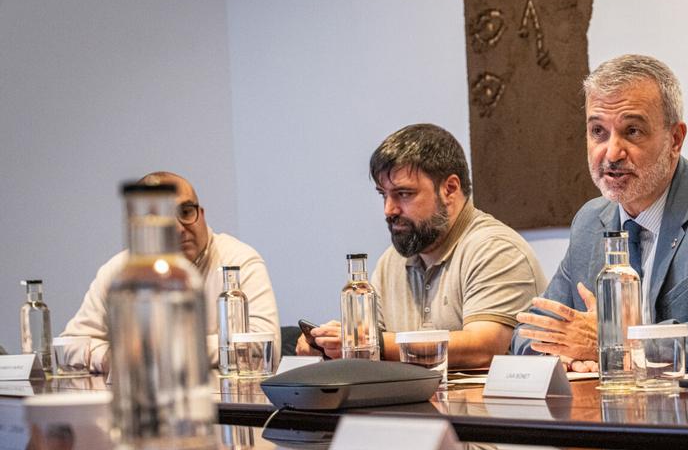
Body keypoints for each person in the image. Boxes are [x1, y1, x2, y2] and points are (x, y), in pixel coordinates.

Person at [513, 54, 688, 369]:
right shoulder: (589, 222)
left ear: (675, 139)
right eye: (598, 131)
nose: (611, 153)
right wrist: (566, 354)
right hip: (608, 412)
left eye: (633, 131)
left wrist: (616, 343)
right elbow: (528, 333)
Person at [299, 124, 545, 368]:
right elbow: (369, 350)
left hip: (488, 406)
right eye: (383, 195)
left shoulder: (496, 249)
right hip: (416, 404)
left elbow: (485, 348)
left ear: (450, 189)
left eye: (403, 194)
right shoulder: (391, 262)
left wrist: (371, 345)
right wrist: (328, 346)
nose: (389, 210)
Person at [60, 171, 279, 373]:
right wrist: (111, 357)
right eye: (162, 218)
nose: (179, 228)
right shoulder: (118, 271)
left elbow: (264, 345)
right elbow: (70, 345)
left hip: (225, 406)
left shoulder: (239, 260)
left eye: (185, 212)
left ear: (201, 214)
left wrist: (169, 350)